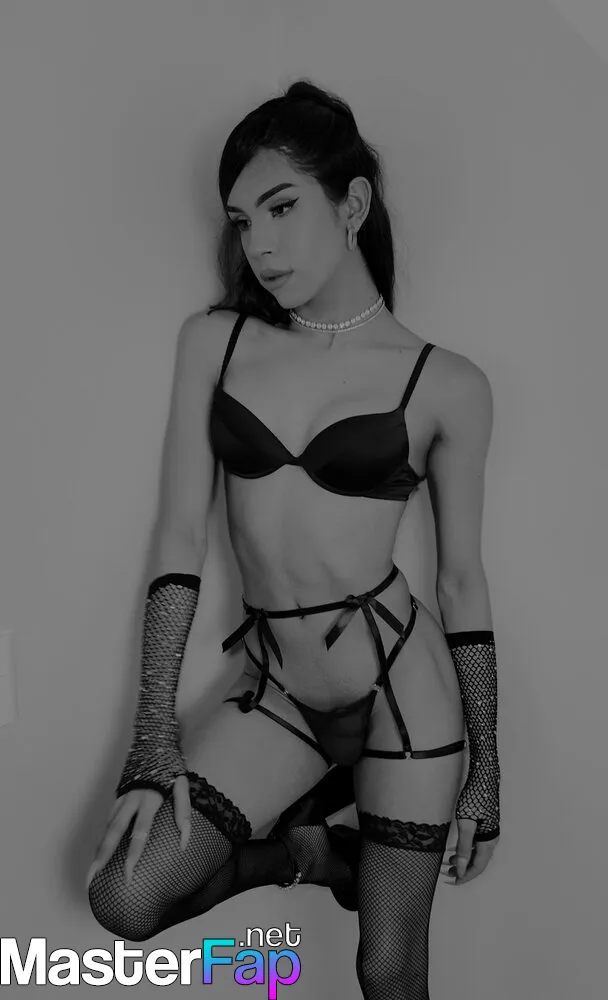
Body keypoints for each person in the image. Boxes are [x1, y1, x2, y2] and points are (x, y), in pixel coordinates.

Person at [87, 79, 501, 999]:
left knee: (389, 971)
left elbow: (462, 583)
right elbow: (178, 537)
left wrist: (487, 770)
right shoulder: (217, 343)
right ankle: (313, 855)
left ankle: (338, 852)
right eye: (243, 222)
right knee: (126, 896)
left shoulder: (447, 384)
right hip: (276, 690)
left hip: (403, 690)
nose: (260, 245)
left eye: (281, 208)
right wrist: (154, 734)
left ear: (352, 204)